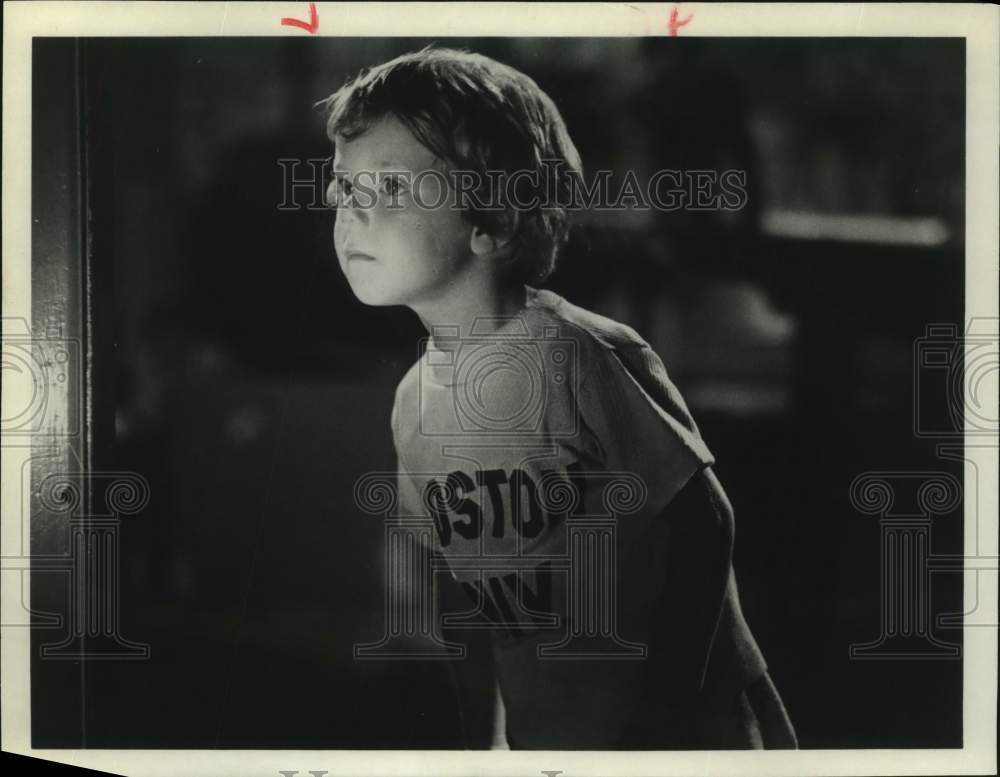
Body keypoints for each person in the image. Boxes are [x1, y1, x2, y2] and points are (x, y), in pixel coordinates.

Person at [321, 46, 796, 750]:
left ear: (495, 219)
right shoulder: (413, 401)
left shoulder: (580, 356)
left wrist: (664, 708)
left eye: (389, 188)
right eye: (343, 187)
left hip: (689, 735)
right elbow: (460, 596)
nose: (351, 212)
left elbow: (703, 524)